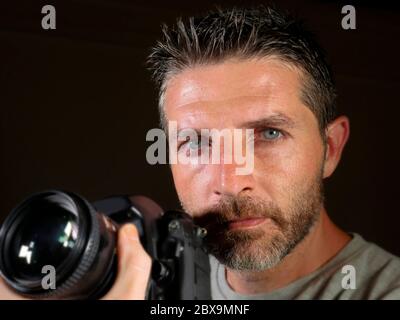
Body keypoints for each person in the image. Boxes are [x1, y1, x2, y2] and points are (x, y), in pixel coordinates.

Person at [1, 6, 400, 300]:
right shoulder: (149, 278)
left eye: (268, 133)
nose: (228, 181)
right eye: (196, 142)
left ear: (330, 148)